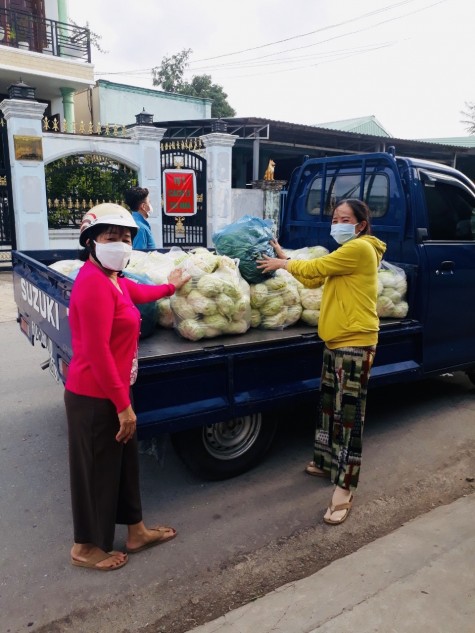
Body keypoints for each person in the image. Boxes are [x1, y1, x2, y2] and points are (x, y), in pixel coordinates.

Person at [65, 203, 190, 571]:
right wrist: (123, 405)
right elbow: (97, 351)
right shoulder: (91, 283)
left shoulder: (113, 280)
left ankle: (136, 531)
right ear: (90, 242)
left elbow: (136, 294)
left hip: (116, 390)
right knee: (96, 474)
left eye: (125, 237)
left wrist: (171, 286)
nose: (119, 243)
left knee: (124, 467)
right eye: (110, 237)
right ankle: (85, 548)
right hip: (94, 396)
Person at [257, 198, 386, 525]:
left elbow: (315, 269)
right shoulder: (346, 253)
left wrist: (282, 265)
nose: (338, 222)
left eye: (345, 218)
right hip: (337, 339)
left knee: (349, 415)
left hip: (356, 341)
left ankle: (345, 487)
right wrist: (286, 258)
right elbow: (315, 278)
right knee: (330, 404)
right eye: (335, 217)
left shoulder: (360, 249)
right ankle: (327, 461)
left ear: (360, 224)